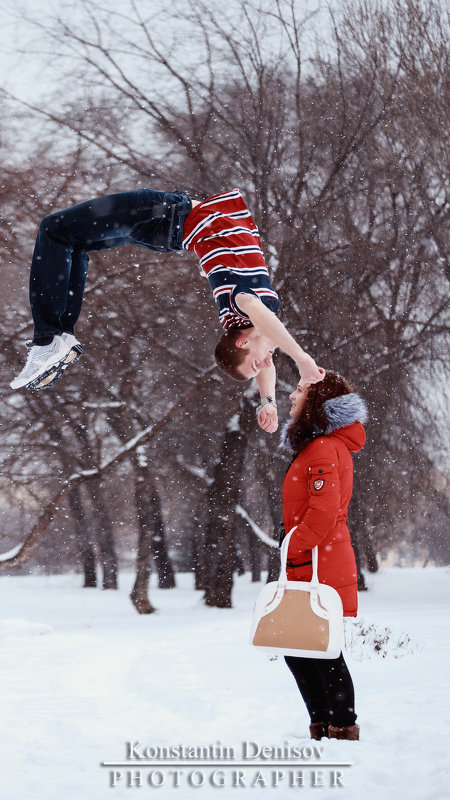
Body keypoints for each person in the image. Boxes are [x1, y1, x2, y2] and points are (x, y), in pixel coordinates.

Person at [10, 188, 324, 431]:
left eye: (257, 364)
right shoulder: (256, 314)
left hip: (166, 216)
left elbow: (265, 336)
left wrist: (301, 360)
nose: (267, 363)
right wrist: (268, 402)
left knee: (55, 229)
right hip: (168, 224)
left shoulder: (239, 305)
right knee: (69, 240)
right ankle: (59, 336)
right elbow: (267, 342)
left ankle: (49, 338)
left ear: (243, 341)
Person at [281, 370, 367, 741]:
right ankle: (323, 725)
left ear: (316, 403)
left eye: (299, 391)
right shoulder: (318, 447)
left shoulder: (324, 448)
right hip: (310, 560)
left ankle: (341, 727)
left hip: (320, 562)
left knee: (319, 649)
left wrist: (292, 544)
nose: (290, 396)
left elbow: (324, 511)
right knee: (299, 648)